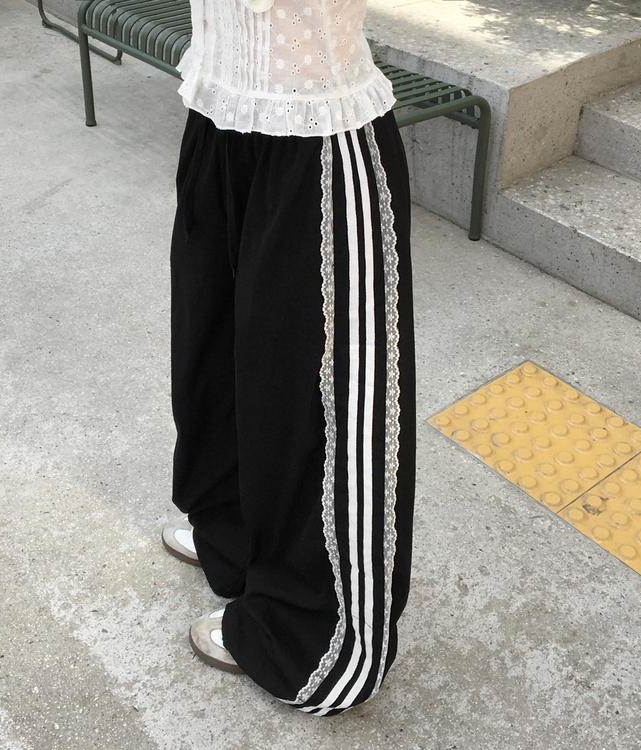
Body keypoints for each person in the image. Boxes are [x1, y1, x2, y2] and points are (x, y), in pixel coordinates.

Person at [162, 0, 416, 716]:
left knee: (316, 403)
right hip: (219, 106)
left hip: (320, 131)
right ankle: (236, 538)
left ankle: (315, 634)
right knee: (215, 354)